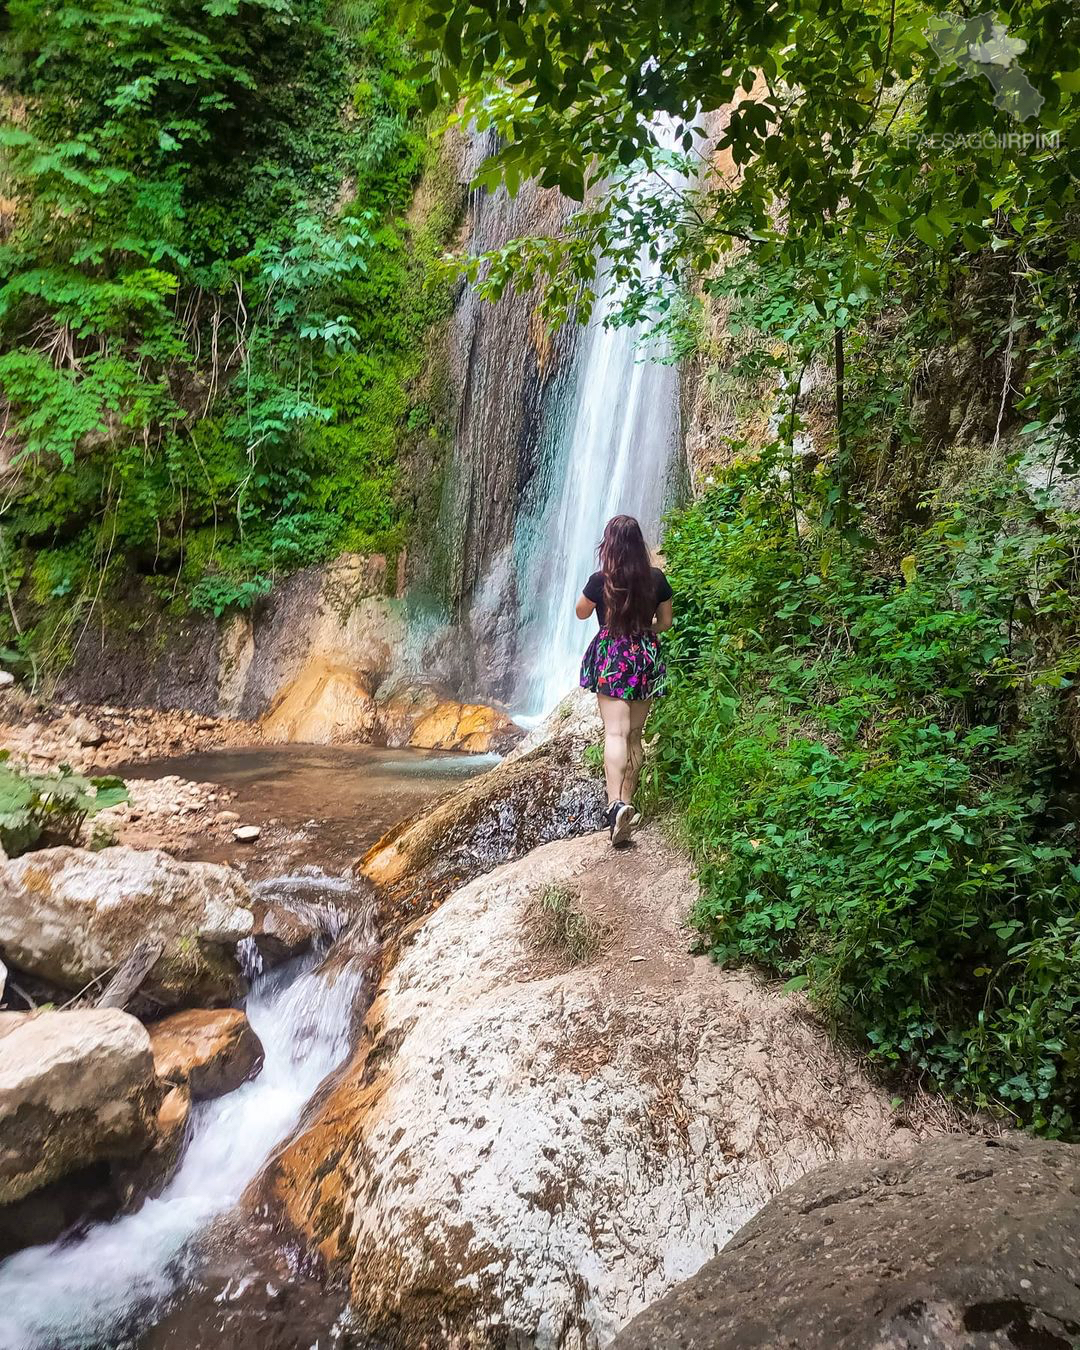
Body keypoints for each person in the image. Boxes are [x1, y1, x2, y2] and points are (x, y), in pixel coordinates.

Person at [576, 514, 673, 846]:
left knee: (615, 732)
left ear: (610, 546)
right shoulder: (656, 580)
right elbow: (666, 622)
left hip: (613, 656)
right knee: (634, 734)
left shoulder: (600, 580)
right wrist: (644, 630)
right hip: (644, 656)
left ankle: (614, 804)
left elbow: (581, 612)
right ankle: (627, 805)